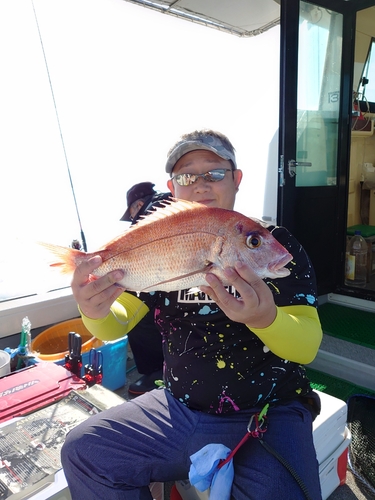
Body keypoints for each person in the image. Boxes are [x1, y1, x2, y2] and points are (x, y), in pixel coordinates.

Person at [61, 129, 323, 500]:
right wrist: (91, 308)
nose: (200, 185)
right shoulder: (158, 241)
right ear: (172, 187)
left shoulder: (274, 241)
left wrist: (266, 318)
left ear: (237, 178)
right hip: (177, 407)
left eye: (214, 173)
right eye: (187, 177)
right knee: (85, 450)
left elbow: (308, 346)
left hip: (268, 411)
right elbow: (115, 321)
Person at [120, 182, 171, 394]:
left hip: (164, 280)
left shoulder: (151, 211)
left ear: (139, 204)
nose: (132, 218)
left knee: (138, 319)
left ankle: (156, 373)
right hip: (169, 277)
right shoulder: (173, 203)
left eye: (132, 213)